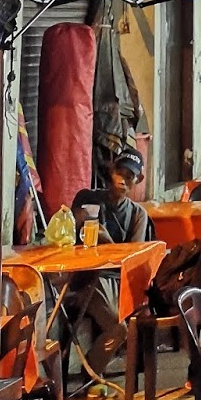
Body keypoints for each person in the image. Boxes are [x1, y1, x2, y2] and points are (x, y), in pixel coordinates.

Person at [70, 149, 149, 376]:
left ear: (138, 180)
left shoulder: (137, 215)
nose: (122, 180)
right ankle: (92, 374)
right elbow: (68, 233)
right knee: (117, 328)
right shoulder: (88, 199)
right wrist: (76, 219)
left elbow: (132, 257)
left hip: (116, 280)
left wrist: (108, 242)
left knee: (118, 327)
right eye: (119, 173)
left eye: (129, 177)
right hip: (87, 277)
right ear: (112, 171)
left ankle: (91, 372)